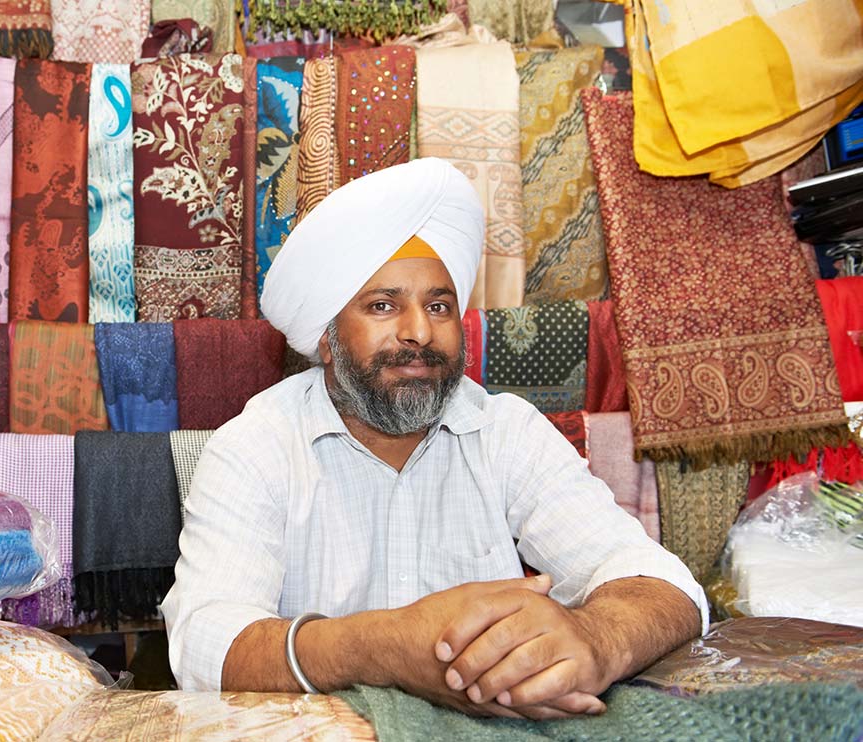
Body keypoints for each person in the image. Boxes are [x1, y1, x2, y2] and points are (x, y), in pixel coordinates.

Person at [160, 158, 706, 720]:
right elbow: (204, 643)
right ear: (326, 339)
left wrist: (594, 640)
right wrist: (382, 646)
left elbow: (659, 580)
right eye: (382, 305)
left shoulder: (505, 431)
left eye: (438, 306)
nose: (419, 331)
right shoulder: (255, 447)